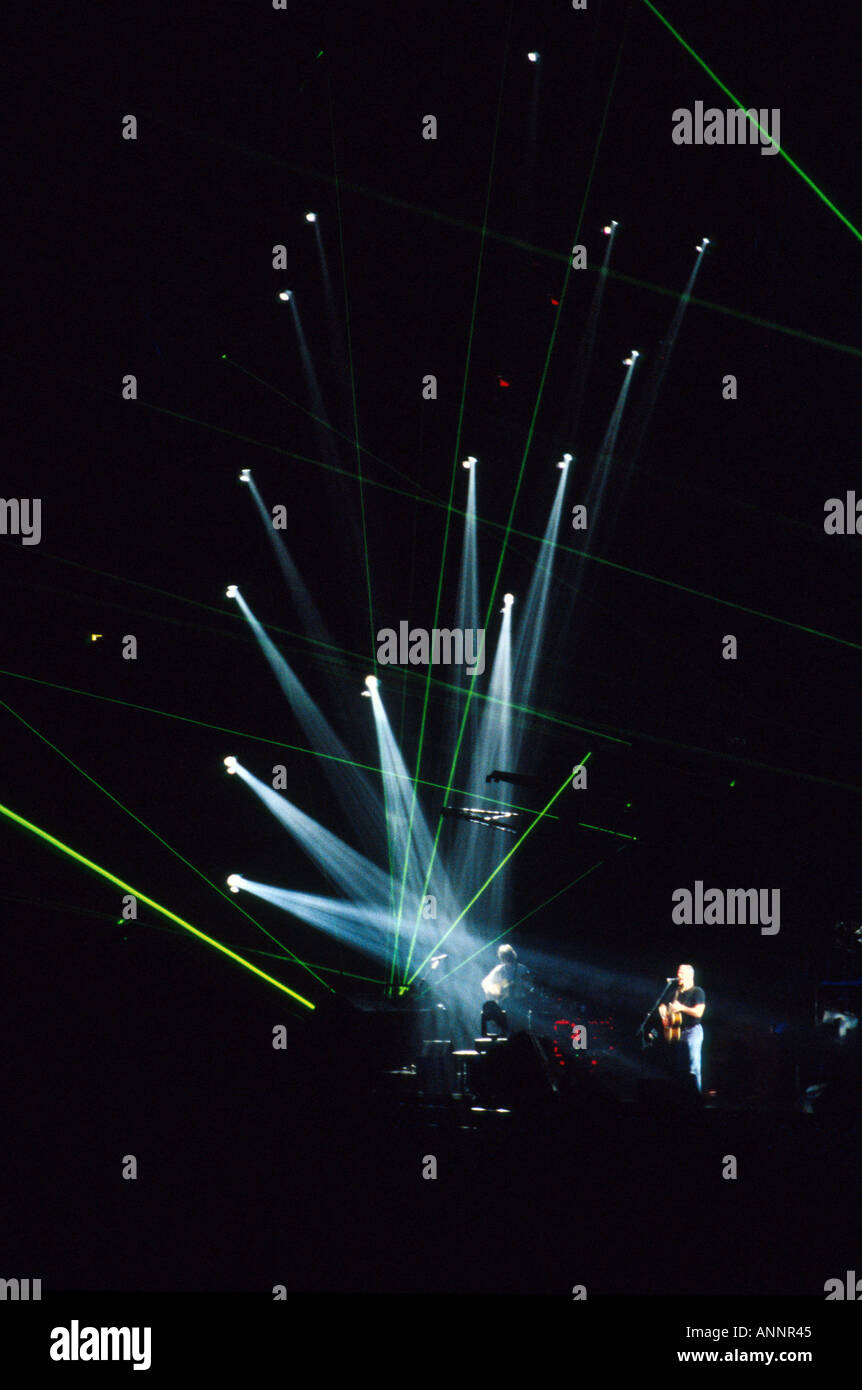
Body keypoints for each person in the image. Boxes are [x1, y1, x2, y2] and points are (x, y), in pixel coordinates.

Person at [659, 963, 706, 1093]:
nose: (678, 975)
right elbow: (662, 1006)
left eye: (682, 973)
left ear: (690, 975)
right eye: (678, 972)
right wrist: (664, 1016)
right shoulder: (675, 993)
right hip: (677, 1032)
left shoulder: (697, 991)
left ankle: (697, 1096)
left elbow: (698, 1013)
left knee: (693, 1066)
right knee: (679, 1067)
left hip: (693, 1031)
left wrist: (682, 1008)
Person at [480, 944, 531, 1036]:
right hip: (504, 1004)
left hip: (519, 1003)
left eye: (507, 955)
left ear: (512, 955)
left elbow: (528, 985)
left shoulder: (521, 969)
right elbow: (485, 982)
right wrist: (494, 991)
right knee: (505, 1030)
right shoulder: (499, 970)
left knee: (519, 1030)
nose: (506, 958)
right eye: (503, 956)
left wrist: (521, 985)